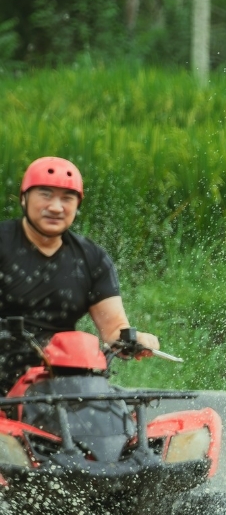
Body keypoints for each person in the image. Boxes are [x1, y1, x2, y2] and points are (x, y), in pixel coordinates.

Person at [0, 157, 159, 392]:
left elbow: (115, 330)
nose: (55, 207)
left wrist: (136, 340)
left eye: (66, 198)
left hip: (60, 382)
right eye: (45, 194)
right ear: (24, 198)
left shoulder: (92, 259)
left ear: (77, 205)